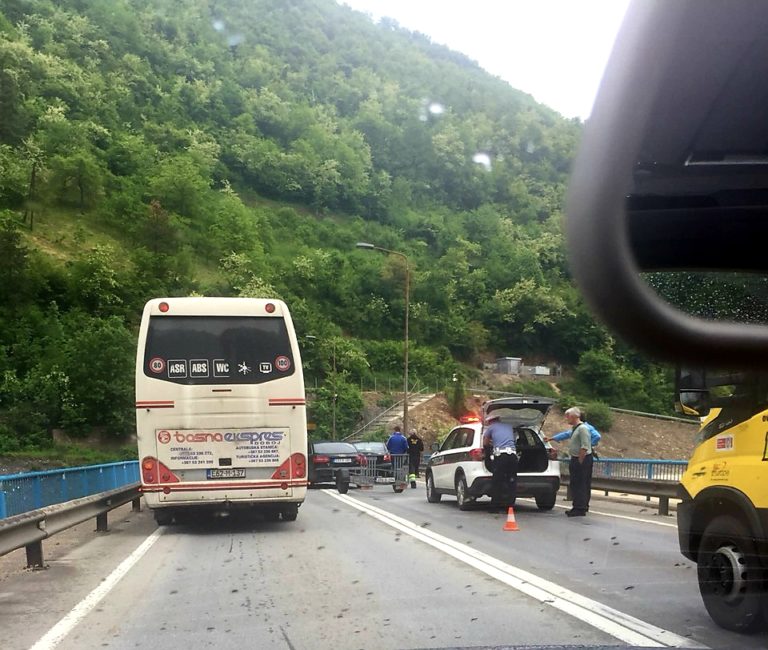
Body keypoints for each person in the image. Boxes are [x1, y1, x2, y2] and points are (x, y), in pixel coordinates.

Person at [482, 411, 518, 510]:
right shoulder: (508, 426)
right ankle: (510, 506)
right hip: (513, 456)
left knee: (497, 481)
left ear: (491, 421)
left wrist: (487, 450)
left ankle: (494, 507)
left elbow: (485, 442)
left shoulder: (491, 428)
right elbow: (513, 439)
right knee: (511, 481)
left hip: (501, 456)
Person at [561, 406, 593, 517]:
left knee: (580, 483)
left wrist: (580, 460)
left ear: (575, 416)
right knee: (576, 483)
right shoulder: (576, 429)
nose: (567, 418)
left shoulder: (582, 429)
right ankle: (579, 506)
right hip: (576, 458)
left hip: (582, 459)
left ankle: (580, 508)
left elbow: (585, 446)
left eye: (568, 416)